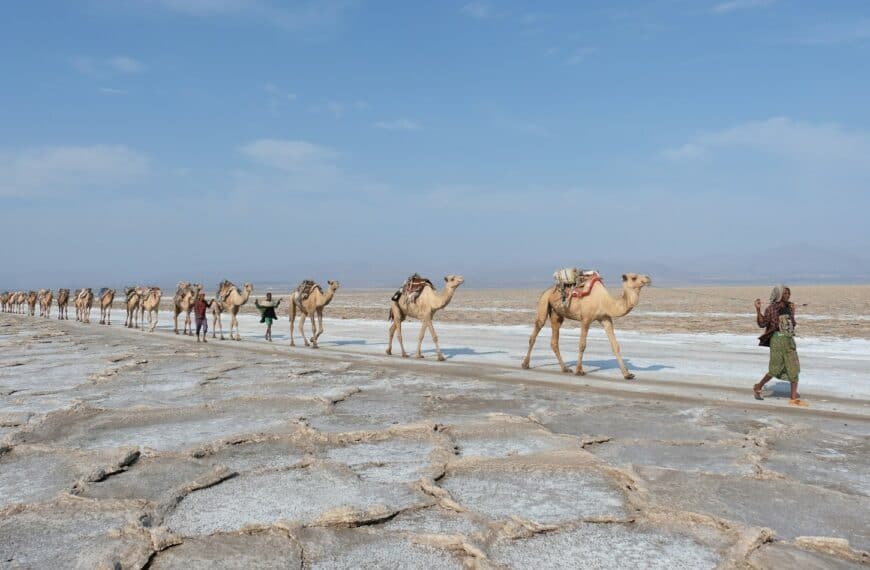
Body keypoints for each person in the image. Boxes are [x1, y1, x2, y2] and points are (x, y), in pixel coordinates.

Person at [753, 285, 806, 406]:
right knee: (775, 368)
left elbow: (792, 324)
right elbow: (762, 324)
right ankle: (758, 386)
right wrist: (758, 310)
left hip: (788, 340)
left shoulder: (789, 307)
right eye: (784, 293)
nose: (787, 296)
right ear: (778, 295)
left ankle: (793, 398)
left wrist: (792, 312)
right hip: (777, 341)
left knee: (794, 367)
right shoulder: (771, 309)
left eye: (788, 293)